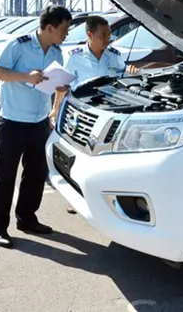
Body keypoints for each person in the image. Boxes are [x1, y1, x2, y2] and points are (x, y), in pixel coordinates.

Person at [0, 4, 72, 248]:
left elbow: (53, 82)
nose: (67, 33)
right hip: (13, 120)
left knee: (35, 175)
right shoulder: (19, 45)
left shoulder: (56, 52)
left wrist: (59, 89)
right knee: (4, 176)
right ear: (50, 27)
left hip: (39, 121)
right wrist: (26, 76)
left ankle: (26, 218)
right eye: (64, 29)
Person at [49, 15, 138, 214]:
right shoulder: (75, 57)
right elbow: (63, 84)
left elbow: (123, 75)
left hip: (109, 114)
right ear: (89, 34)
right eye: (102, 35)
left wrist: (131, 71)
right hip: (82, 115)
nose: (107, 39)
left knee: (105, 159)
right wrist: (55, 109)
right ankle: (77, 197)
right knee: (80, 159)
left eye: (109, 34)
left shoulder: (113, 55)